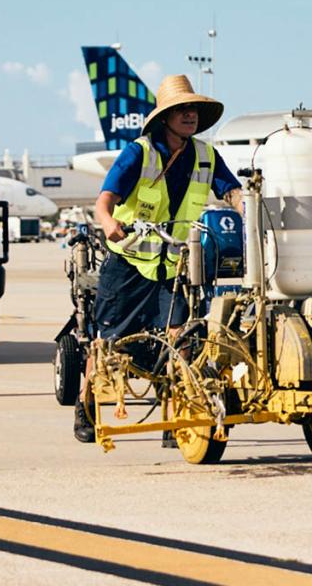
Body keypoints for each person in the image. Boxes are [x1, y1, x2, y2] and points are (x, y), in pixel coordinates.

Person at [74, 75, 241, 443]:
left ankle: (176, 419)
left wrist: (248, 207)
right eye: (181, 109)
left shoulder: (206, 155)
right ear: (164, 117)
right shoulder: (140, 152)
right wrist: (107, 222)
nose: (189, 115)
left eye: (193, 109)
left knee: (180, 340)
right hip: (129, 262)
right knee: (108, 340)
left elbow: (231, 190)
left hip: (173, 265)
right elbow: (105, 199)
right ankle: (85, 407)